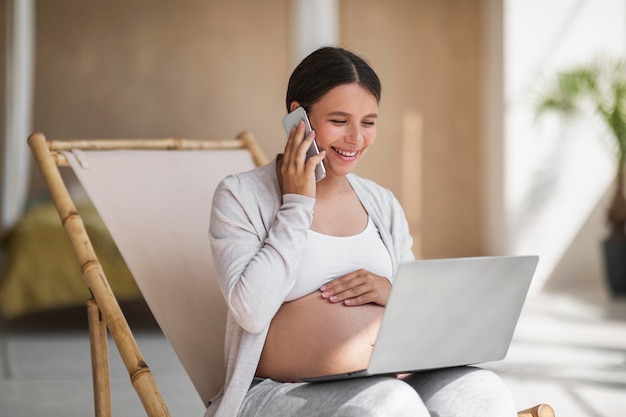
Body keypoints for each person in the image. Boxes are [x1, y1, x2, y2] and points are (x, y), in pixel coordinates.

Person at [207, 46, 518, 417]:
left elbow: (418, 314)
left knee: (483, 390)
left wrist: (393, 291)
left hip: (391, 375)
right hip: (279, 393)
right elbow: (252, 311)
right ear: (298, 117)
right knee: (388, 404)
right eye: (339, 121)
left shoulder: (381, 202)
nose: (356, 138)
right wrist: (296, 204)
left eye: (368, 122)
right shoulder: (240, 196)